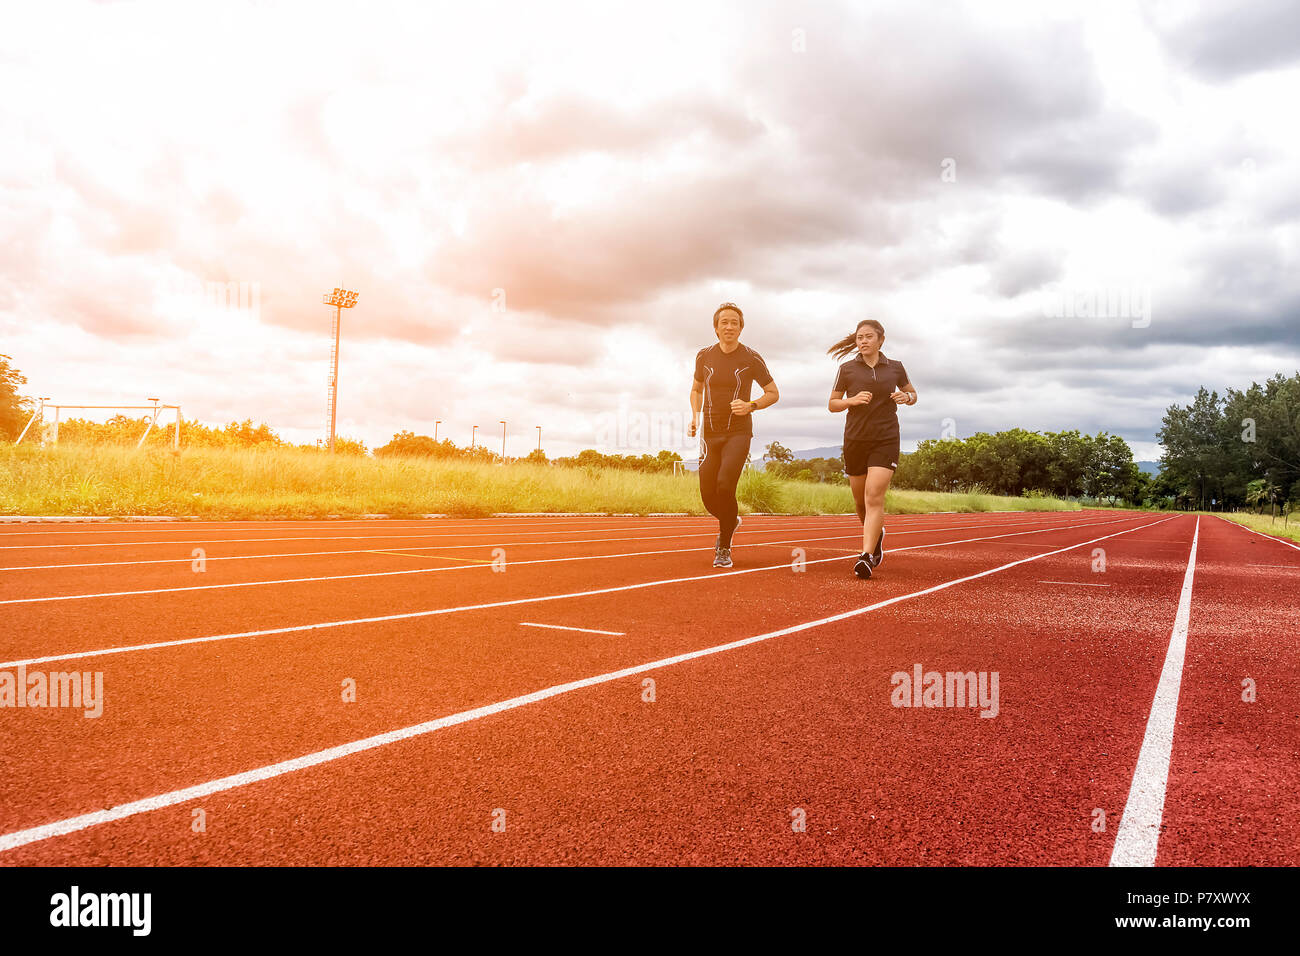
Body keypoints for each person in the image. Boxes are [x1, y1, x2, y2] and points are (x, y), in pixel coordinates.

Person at [688, 302, 779, 568]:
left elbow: (773, 393)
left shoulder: (751, 358)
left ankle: (724, 546)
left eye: (734, 322)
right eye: (724, 322)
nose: (729, 326)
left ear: (741, 328)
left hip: (738, 433)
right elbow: (696, 390)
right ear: (716, 328)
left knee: (725, 486)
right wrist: (694, 416)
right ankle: (731, 521)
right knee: (708, 495)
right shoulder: (704, 356)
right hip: (710, 433)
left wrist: (751, 405)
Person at [827, 319, 916, 579]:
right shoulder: (847, 369)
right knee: (859, 501)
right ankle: (876, 536)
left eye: (868, 337)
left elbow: (913, 394)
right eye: (859, 338)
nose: (863, 341)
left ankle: (865, 556)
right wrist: (851, 400)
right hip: (855, 439)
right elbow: (832, 404)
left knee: (874, 496)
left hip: (885, 438)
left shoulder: (896, 368)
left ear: (880, 339)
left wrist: (906, 397)